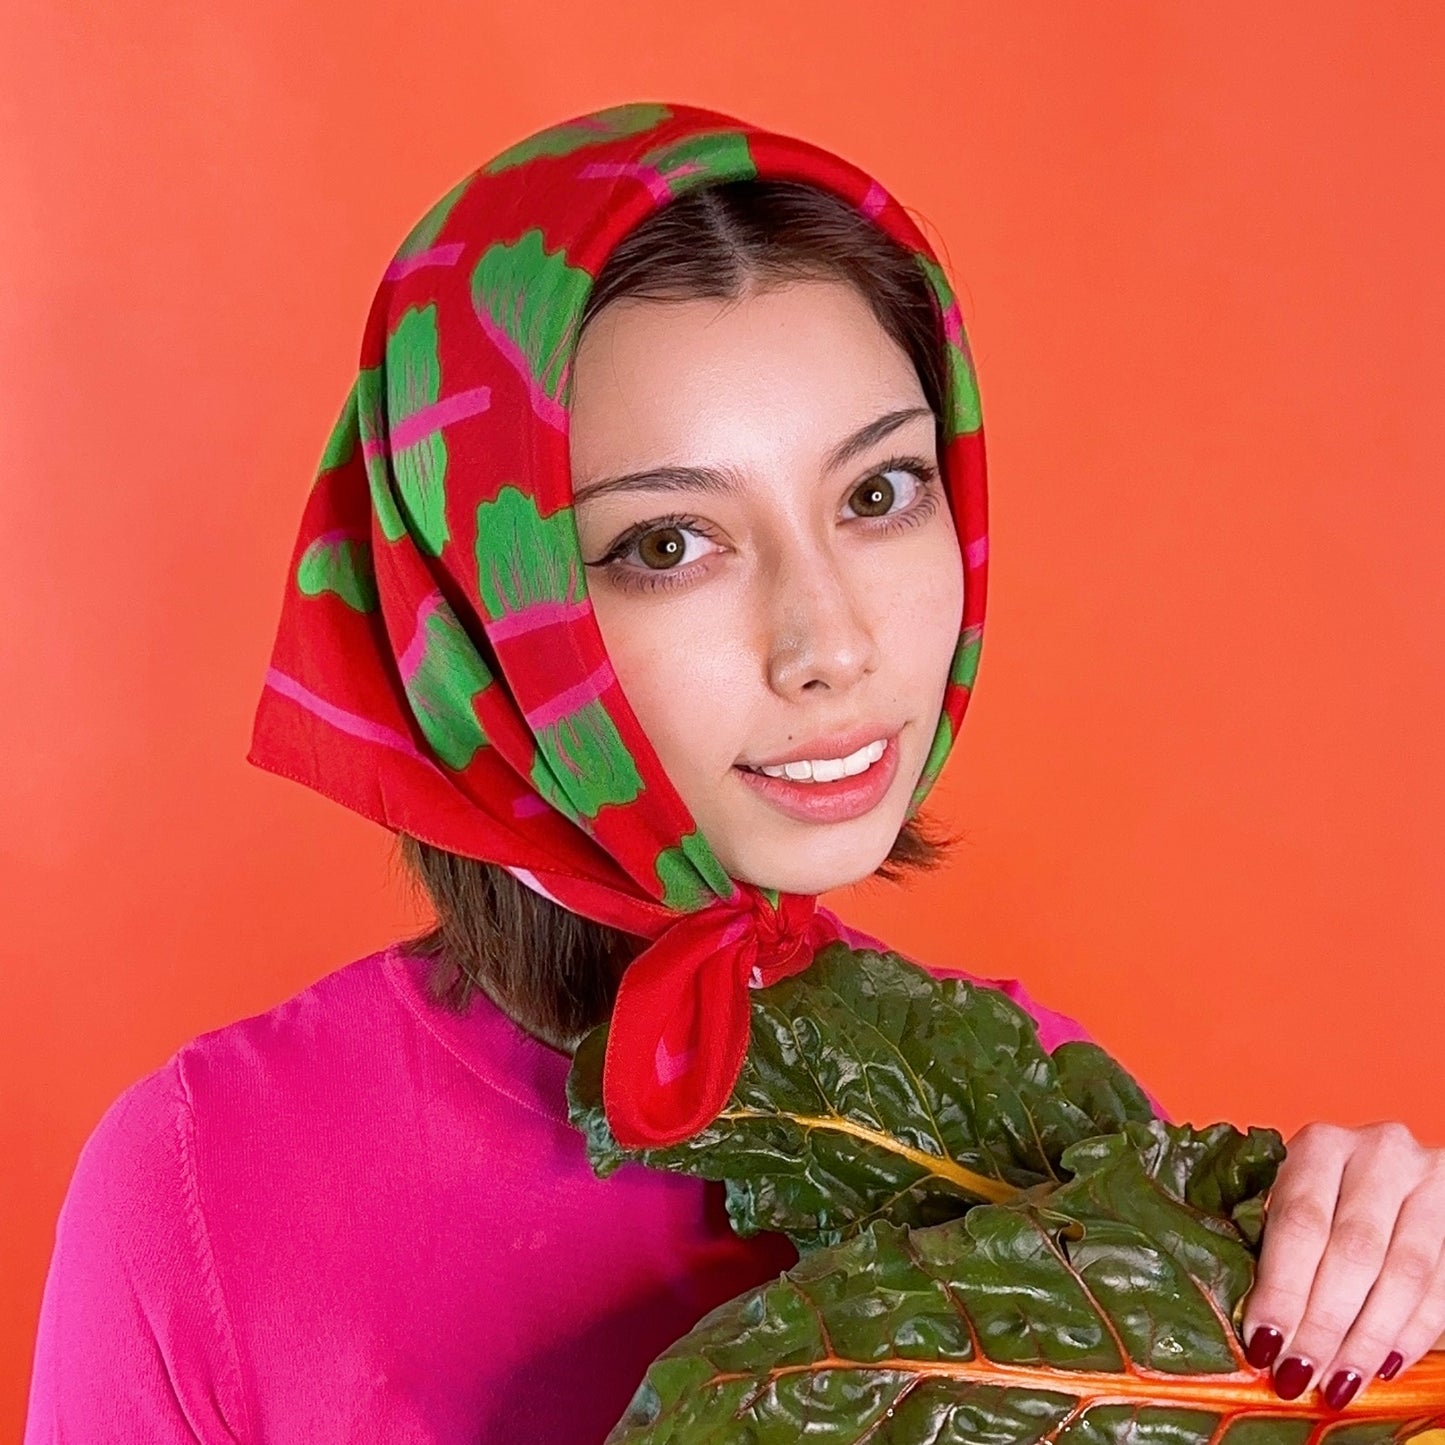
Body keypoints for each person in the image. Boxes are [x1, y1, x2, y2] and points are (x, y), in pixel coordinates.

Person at [23, 99, 1173, 1442]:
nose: (830, 643)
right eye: (670, 543)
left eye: (875, 495)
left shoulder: (1042, 1110)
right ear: (479, 606)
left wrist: (1368, 1344)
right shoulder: (206, 1185)